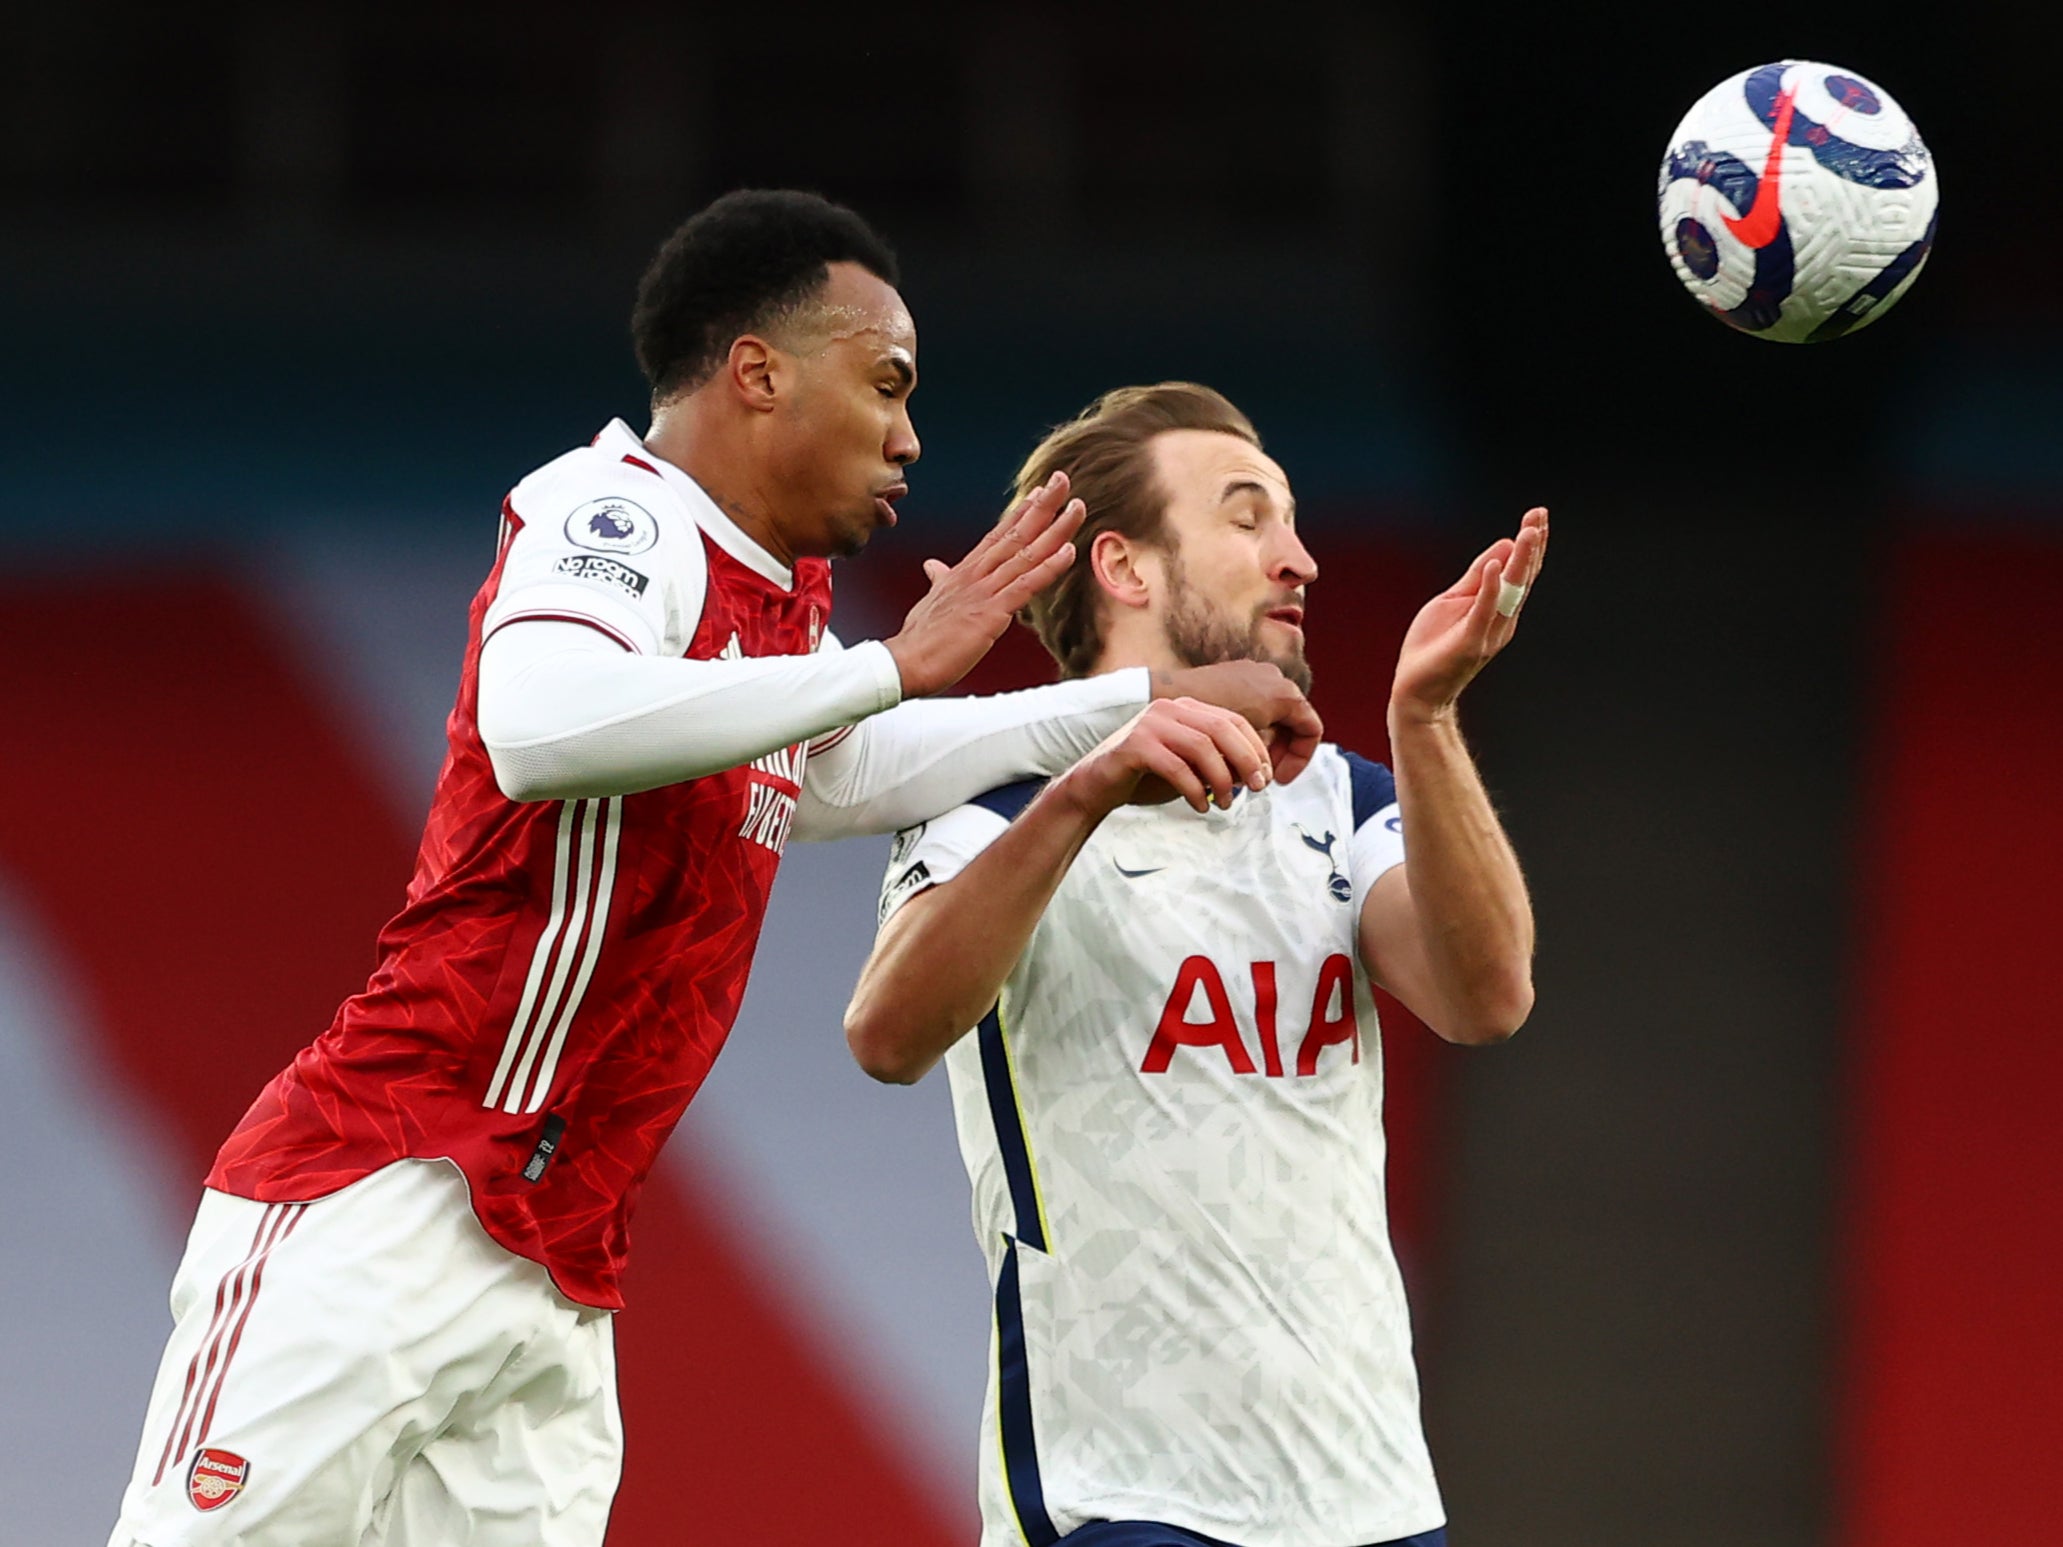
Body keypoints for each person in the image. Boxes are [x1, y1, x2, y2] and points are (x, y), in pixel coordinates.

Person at [107, 199, 1316, 1547]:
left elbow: (830, 773)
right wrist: (886, 663)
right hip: (386, 1188)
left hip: (555, 1263)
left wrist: (1125, 705)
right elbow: (537, 723)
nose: (909, 435)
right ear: (756, 372)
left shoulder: (776, 604)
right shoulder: (612, 512)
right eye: (886, 384)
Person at [844, 383, 1546, 1547]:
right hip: (1122, 1496)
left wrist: (1422, 718)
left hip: (1369, 1495)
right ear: (1125, 568)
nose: (1299, 558)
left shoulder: (1338, 793)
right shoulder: (1000, 803)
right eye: (1247, 517)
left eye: (1291, 521)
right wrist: (1088, 785)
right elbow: (886, 1031)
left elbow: (1487, 996)